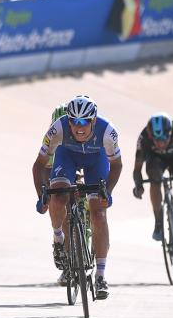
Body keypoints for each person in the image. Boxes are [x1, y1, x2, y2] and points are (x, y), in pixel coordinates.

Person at [32, 95, 122, 300]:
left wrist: (107, 190)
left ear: (93, 120)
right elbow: (38, 166)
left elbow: (116, 165)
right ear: (68, 120)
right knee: (59, 196)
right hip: (67, 157)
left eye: (84, 121)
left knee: (98, 214)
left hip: (96, 161)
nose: (78, 126)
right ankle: (58, 238)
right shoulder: (58, 128)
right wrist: (42, 195)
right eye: (73, 121)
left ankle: (100, 275)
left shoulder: (108, 131)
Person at [131, 113, 173, 267]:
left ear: (170, 133)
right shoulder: (144, 138)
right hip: (156, 161)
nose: (160, 143)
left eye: (163, 139)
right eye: (156, 140)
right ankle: (158, 222)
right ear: (150, 136)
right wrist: (139, 185)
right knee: (154, 178)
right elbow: (137, 169)